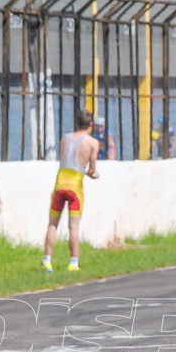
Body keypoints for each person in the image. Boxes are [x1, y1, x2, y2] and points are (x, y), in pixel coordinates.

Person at [42, 110, 100, 272]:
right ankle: (73, 263)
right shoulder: (92, 143)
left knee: (52, 224)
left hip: (60, 182)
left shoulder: (65, 138)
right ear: (90, 125)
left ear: (76, 122)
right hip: (75, 185)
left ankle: (47, 260)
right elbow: (91, 168)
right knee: (73, 227)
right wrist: (93, 174)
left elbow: (63, 157)